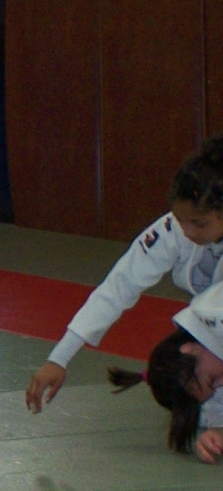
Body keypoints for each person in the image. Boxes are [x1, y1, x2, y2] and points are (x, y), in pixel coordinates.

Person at [26, 138, 223, 413]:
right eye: (181, 220)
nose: (188, 231)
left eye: (199, 223)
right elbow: (120, 285)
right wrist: (59, 357)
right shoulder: (173, 230)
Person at [110, 280, 223, 461]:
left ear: (190, 350)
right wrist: (218, 431)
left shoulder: (217, 315)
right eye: (215, 386)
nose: (221, 383)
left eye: (212, 379)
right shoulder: (209, 349)